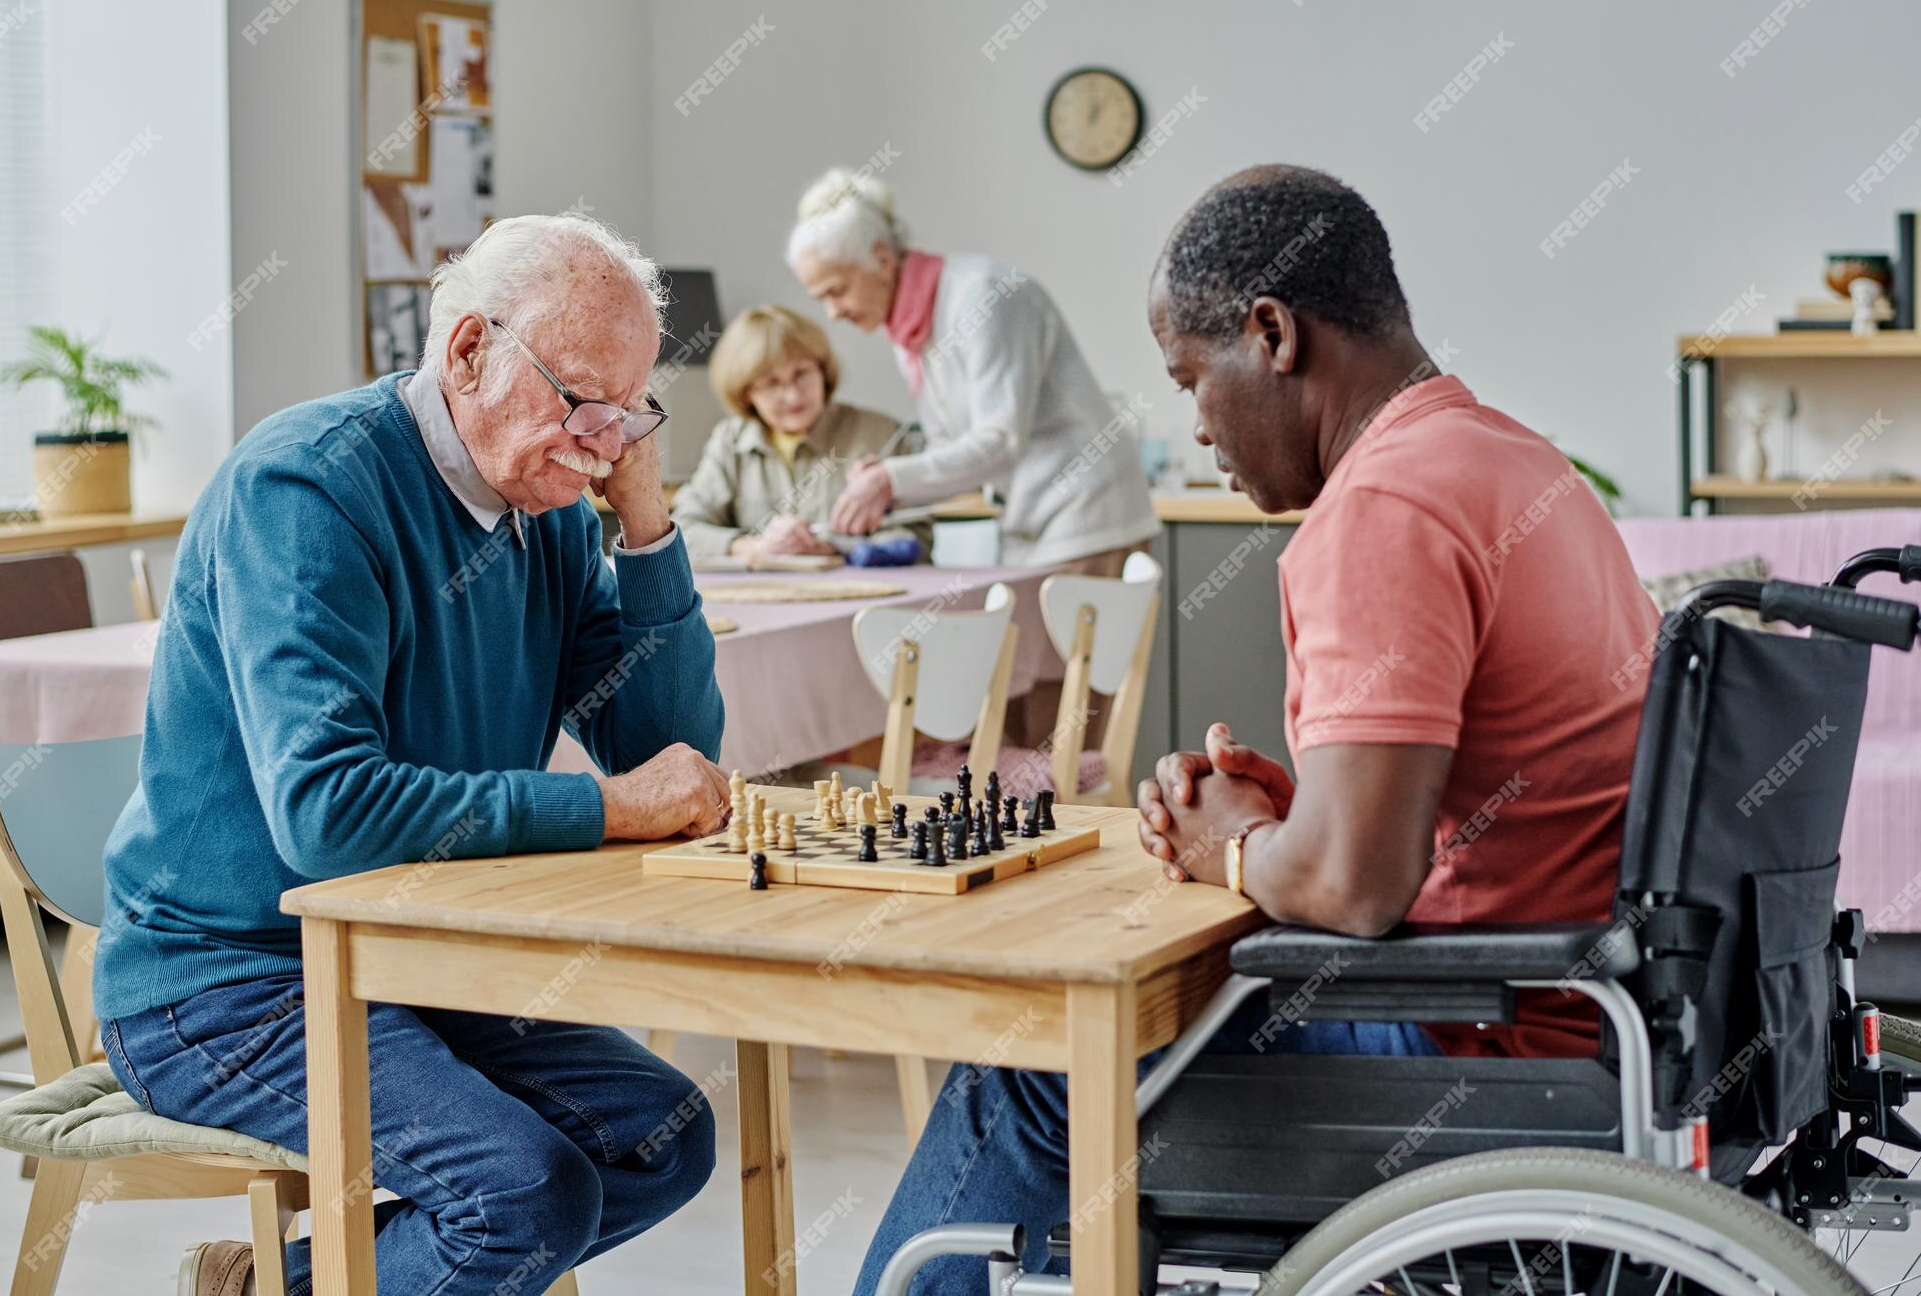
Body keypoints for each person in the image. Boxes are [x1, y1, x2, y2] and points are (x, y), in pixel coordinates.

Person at [851, 166, 1662, 1294]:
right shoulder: (1519, 464)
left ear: (1271, 334)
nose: (1194, 426)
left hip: (1477, 1053)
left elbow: (1351, 889)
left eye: (1191, 377)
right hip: (1600, 1024)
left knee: (1030, 1071)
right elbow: (1481, 788)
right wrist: (1286, 811)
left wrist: (1230, 849)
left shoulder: (1378, 507)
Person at [95, 214, 732, 1296]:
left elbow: (662, 753)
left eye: (627, 410)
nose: (601, 437)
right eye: (580, 397)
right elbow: (328, 814)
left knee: (661, 1134)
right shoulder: (306, 490)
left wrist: (646, 522)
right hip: (230, 978)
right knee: (524, 1193)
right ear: (468, 350)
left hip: (416, 952)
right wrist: (608, 810)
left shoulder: (559, 512)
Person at [787, 168, 1159, 575]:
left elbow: (999, 440)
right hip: (1033, 519)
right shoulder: (911, 335)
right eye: (820, 298)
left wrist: (892, 479)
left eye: (836, 291)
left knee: (1060, 639)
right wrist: (886, 486)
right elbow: (955, 450)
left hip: (1087, 510)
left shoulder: (981, 296)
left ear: (881, 259)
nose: (833, 312)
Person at [671, 303, 930, 561]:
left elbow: (918, 539)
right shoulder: (730, 440)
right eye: (772, 383)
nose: (793, 396)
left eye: (802, 374)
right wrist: (753, 548)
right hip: (762, 597)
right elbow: (684, 532)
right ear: (746, 392)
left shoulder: (882, 433)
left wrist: (835, 549)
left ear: (823, 371)